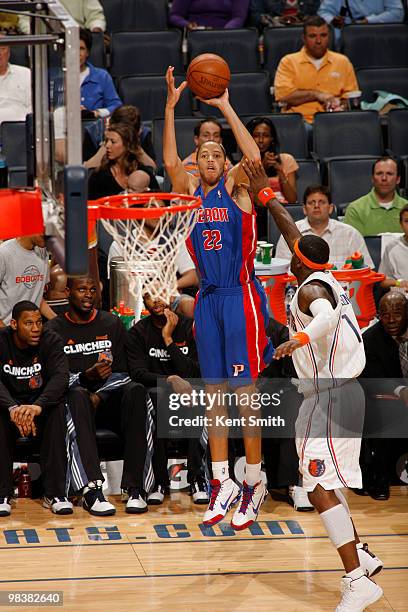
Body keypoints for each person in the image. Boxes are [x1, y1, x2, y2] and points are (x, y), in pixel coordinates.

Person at [242, 158, 384, 611]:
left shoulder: (311, 291)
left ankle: (357, 579)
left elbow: (321, 318)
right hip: (343, 393)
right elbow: (291, 231)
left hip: (328, 398)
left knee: (317, 484)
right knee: (330, 484)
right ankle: (360, 551)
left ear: (297, 262)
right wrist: (268, 196)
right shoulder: (324, 272)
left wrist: (297, 340)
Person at [164, 66, 274, 530]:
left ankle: (254, 480)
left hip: (241, 296)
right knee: (214, 394)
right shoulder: (191, 195)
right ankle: (221, 481)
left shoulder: (237, 189)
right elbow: (170, 162)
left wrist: (225, 106)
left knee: (245, 395)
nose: (209, 159)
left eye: (216, 155)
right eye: (203, 154)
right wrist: (170, 108)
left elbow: (254, 157)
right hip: (208, 300)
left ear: (224, 164)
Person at [46, 275, 151, 514]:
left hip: (109, 401)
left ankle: (136, 488)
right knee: (77, 395)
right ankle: (92, 489)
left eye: (93, 290)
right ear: (67, 292)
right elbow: (55, 379)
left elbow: (126, 372)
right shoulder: (54, 330)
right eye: (82, 289)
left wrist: (101, 395)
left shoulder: (111, 324)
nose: (89, 295)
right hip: (75, 406)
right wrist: (85, 378)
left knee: (136, 391)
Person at [127, 291, 209, 506]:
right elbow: (137, 373)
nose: (156, 300)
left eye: (160, 293)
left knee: (199, 394)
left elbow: (195, 371)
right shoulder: (138, 332)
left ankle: (198, 479)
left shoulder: (191, 327)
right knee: (156, 397)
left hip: (190, 399)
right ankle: (158, 483)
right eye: (149, 295)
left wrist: (168, 339)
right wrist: (170, 379)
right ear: (143, 300)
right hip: (157, 398)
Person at [0, 301, 71, 517]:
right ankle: (2, 494)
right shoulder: (1, 341)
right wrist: (12, 408)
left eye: (39, 322)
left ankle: (56, 494)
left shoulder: (51, 340)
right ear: (13, 324)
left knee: (57, 411)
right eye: (28, 323)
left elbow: (61, 378)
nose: (36, 328)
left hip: (38, 406)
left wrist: (37, 407)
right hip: (9, 407)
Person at [259, 318, 314, 511]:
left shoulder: (277, 329)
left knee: (291, 408)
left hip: (273, 390)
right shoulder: (230, 326)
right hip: (237, 389)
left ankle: (295, 485)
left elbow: (289, 371)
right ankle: (225, 482)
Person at [359, 292, 408, 500]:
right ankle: (379, 479)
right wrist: (400, 391)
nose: (391, 320)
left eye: (397, 313)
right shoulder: (370, 339)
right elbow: (372, 378)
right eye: (385, 315)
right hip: (387, 397)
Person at [274, 15, 359, 124]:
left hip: (333, 121)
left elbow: (351, 98)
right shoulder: (288, 62)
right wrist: (317, 95)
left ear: (329, 36)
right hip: (299, 123)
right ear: (304, 38)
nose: (318, 41)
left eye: (323, 35)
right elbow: (284, 97)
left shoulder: (342, 62)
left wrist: (339, 105)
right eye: (313, 36)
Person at [275, 184, 374, 268]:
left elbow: (366, 269)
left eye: (322, 202)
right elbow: (282, 270)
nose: (316, 206)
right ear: (304, 209)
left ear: (331, 208)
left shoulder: (350, 234)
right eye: (311, 203)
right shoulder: (290, 233)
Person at [88, 123, 159, 199]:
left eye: (113, 142)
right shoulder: (99, 176)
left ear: (127, 144)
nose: (107, 145)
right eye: (106, 141)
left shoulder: (144, 173)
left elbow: (161, 201)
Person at [0, 234, 57, 327]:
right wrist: (4, 332)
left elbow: (37, 297)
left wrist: (60, 322)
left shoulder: (43, 251)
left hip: (33, 328)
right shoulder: (3, 253)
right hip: (8, 329)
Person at [344, 157, 408, 237]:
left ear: (398, 179)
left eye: (389, 174)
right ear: (372, 179)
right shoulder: (355, 209)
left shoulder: (406, 207)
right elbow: (353, 246)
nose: (384, 178)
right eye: (379, 173)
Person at [85, 105, 157, 171]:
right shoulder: (94, 132)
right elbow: (86, 170)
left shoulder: (143, 133)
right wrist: (109, 139)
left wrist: (135, 141)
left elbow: (152, 169)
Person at [246, 117, 298, 204]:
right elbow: (250, 200)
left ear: (272, 138)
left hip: (284, 208)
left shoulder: (287, 159)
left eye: (266, 136)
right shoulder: (246, 164)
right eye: (256, 136)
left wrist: (280, 171)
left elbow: (292, 200)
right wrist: (262, 168)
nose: (261, 140)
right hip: (260, 210)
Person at [79, 28, 121, 119]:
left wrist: (96, 113)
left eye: (81, 48)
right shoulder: (56, 76)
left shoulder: (102, 76)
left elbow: (116, 106)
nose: (77, 53)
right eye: (73, 48)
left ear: (88, 52)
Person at [0, 34, 31, 126]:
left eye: (3, 49)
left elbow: (33, 107)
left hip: (20, 130)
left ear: (9, 53)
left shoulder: (25, 73)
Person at [318, 0, 403, 31]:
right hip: (349, 37)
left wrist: (369, 21)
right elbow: (323, 12)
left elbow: (398, 14)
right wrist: (332, 20)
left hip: (381, 35)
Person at [379, 204, 408, 291]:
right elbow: (383, 282)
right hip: (401, 298)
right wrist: (398, 283)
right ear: (401, 224)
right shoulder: (391, 248)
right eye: (407, 221)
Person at [169, 0, 250, 29]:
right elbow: (175, 15)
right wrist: (187, 25)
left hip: (225, 33)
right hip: (196, 34)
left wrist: (226, 31)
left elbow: (238, 17)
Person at [249, 0, 320, 28]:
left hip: (305, 29)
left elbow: (318, 15)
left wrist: (303, 18)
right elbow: (255, 16)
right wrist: (274, 21)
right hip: (273, 31)